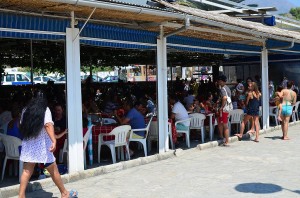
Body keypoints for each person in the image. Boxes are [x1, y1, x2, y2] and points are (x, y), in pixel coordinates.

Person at [19, 93, 77, 198]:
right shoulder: (44, 110)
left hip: (29, 145)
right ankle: (64, 193)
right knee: (53, 170)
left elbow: (22, 125)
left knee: (26, 171)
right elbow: (48, 125)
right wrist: (54, 140)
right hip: (42, 145)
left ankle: (21, 195)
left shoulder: (25, 110)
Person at [216, 75, 232, 146]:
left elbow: (224, 98)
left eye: (219, 81)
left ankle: (227, 141)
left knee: (225, 125)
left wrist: (221, 107)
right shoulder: (227, 88)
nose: (218, 82)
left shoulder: (223, 89)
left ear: (222, 81)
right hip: (227, 109)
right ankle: (222, 137)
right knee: (222, 123)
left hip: (224, 109)